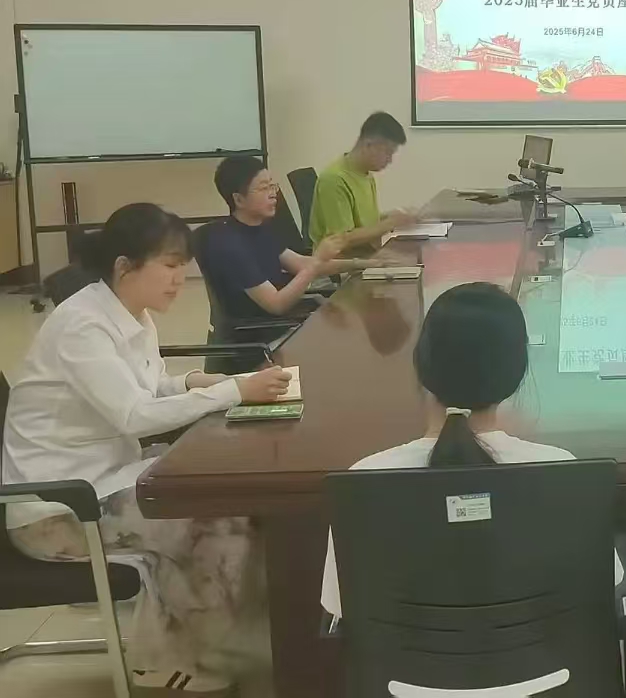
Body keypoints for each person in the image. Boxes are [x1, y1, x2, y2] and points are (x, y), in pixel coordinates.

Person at [2, 203, 290, 696]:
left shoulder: (130, 313)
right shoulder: (82, 326)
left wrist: (207, 382)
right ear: (124, 266)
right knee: (215, 517)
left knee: (229, 499)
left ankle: (227, 644)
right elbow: (134, 415)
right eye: (170, 265)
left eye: (183, 266)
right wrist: (233, 392)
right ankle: (180, 660)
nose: (181, 279)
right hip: (59, 512)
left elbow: (151, 387)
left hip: (103, 483)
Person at [322, 282, 599, 620]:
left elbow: (340, 607)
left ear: (421, 365)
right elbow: (597, 589)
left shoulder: (365, 480)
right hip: (546, 656)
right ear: (516, 372)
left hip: (407, 658)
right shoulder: (561, 470)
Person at [202, 155, 367, 322]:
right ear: (239, 199)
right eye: (264, 188)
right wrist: (318, 260)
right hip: (264, 331)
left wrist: (362, 264)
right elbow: (277, 304)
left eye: (272, 186)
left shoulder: (259, 229)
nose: (273, 194)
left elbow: (300, 263)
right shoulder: (230, 245)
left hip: (284, 322)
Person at [309, 111, 418, 254]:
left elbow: (365, 224)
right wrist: (389, 224)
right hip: (343, 263)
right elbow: (341, 240)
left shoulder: (366, 175)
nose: (390, 160)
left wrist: (393, 217)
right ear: (368, 145)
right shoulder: (334, 180)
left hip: (368, 254)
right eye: (388, 152)